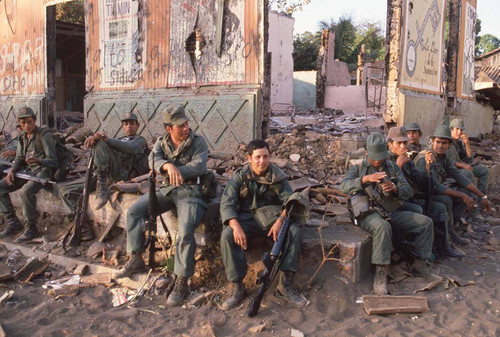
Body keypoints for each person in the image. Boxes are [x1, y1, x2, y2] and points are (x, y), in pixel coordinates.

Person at [112, 105, 209, 307]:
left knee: (185, 231)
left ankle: (182, 280)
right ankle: (136, 257)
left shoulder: (197, 141)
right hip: (166, 191)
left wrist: (177, 170)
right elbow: (152, 158)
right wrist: (166, 165)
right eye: (180, 126)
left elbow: (198, 166)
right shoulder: (162, 142)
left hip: (190, 192)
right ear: (169, 129)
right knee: (134, 212)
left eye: (186, 124)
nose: (185, 128)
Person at [219, 139, 309, 310]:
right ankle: (237, 287)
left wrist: (280, 221)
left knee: (295, 231)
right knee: (227, 235)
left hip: (271, 220)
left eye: (266, 157)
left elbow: (289, 203)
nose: (262, 161)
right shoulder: (240, 177)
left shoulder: (277, 176)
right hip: (247, 220)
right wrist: (235, 226)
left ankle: (285, 284)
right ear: (249, 158)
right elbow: (227, 203)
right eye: (258, 157)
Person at [340, 132, 434, 295]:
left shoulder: (392, 167)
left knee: (425, 223)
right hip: (368, 213)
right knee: (382, 227)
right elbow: (343, 187)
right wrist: (364, 179)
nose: (378, 161)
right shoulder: (358, 168)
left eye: (381, 157)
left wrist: (395, 188)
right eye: (374, 157)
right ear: (367, 153)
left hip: (390, 209)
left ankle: (420, 263)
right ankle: (380, 272)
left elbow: (407, 190)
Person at [58, 112, 149, 240]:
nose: (129, 126)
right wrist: (94, 138)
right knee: (65, 191)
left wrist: (103, 140)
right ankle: (81, 228)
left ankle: (102, 190)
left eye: (132, 124)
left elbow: (129, 148)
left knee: (100, 143)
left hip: (121, 175)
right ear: (122, 127)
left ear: (138, 126)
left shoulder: (139, 140)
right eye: (126, 124)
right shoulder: (118, 139)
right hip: (103, 172)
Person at [386, 126, 471, 258]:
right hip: (394, 205)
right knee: (427, 210)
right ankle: (419, 252)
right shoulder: (387, 159)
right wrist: (398, 166)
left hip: (408, 199)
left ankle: (444, 245)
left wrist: (427, 167)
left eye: (405, 142)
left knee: (440, 207)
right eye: (399, 143)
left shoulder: (406, 159)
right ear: (390, 144)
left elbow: (421, 181)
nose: (403, 146)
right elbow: (387, 188)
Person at [414, 124, 492, 247]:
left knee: (466, 192)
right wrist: (461, 195)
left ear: (449, 145)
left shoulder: (443, 158)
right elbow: (435, 187)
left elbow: (461, 178)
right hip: (421, 196)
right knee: (447, 200)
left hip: (433, 192)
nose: (440, 146)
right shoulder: (426, 157)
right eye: (438, 142)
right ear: (432, 142)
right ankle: (447, 239)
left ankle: (451, 229)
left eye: (444, 143)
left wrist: (483, 197)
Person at [0, 107, 59, 242]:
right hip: (28, 170)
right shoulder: (22, 136)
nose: (27, 126)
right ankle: (13, 222)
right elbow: (20, 157)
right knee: (1, 187)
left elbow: (53, 161)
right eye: (23, 123)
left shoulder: (45, 136)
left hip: (45, 171)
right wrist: (12, 170)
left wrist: (39, 160)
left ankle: (31, 228)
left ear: (35, 120)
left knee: (26, 191)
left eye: (29, 122)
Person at [448, 118, 489, 223]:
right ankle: (474, 210)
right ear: (451, 129)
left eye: (461, 130)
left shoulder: (458, 143)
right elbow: (446, 161)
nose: (459, 132)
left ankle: (481, 200)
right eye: (457, 129)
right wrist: (462, 165)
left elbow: (469, 159)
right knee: (468, 173)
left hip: (461, 168)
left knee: (483, 170)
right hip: (452, 171)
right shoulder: (446, 141)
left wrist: (467, 144)